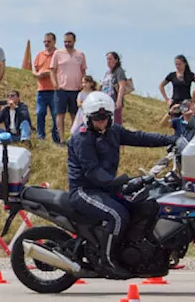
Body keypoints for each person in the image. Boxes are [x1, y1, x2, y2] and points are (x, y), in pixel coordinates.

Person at [67, 91, 173, 277]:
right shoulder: (82, 138)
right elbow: (93, 173)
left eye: (105, 118)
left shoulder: (113, 131)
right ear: (88, 118)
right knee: (117, 215)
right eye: (97, 119)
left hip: (106, 188)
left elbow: (139, 137)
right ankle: (107, 262)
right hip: (84, 190)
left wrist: (170, 140)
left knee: (143, 206)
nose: (101, 122)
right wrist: (123, 181)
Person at [32, 33, 59, 142]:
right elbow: (34, 70)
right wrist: (37, 74)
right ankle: (40, 136)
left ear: (54, 42)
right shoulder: (39, 55)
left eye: (49, 41)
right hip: (41, 90)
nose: (46, 44)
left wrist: (48, 73)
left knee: (55, 114)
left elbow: (59, 70)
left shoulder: (58, 54)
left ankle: (56, 137)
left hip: (54, 90)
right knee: (40, 113)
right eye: (45, 41)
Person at [101, 51, 130, 125]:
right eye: (107, 59)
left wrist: (119, 100)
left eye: (110, 59)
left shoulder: (119, 71)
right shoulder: (107, 72)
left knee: (116, 121)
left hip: (114, 100)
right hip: (105, 100)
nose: (108, 61)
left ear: (116, 60)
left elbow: (122, 85)